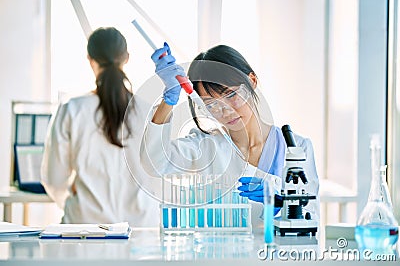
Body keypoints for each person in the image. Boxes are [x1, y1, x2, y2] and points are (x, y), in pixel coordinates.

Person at [140, 43, 319, 225]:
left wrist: (282, 202)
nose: (225, 111)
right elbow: (154, 163)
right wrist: (168, 100)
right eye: (211, 104)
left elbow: (311, 218)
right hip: (220, 252)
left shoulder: (297, 148)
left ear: (252, 81)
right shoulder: (207, 145)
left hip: (275, 253)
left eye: (231, 95)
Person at [41, 27, 159, 226]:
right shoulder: (149, 111)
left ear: (90, 59)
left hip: (84, 227)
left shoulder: (71, 109)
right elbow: (159, 174)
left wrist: (72, 196)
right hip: (142, 231)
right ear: (126, 58)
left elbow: (54, 178)